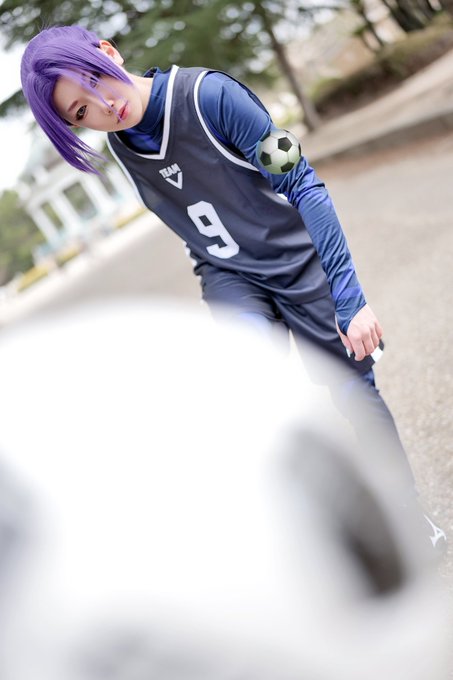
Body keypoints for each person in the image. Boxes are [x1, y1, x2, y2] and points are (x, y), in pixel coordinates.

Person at [20, 25, 445, 548]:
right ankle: (314, 535)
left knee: (353, 390)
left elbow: (303, 183)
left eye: (95, 79)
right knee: (253, 394)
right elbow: (190, 232)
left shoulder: (212, 96)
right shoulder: (124, 152)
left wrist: (350, 298)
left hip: (298, 261)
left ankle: (405, 514)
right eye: (82, 111)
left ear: (108, 52)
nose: (106, 105)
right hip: (231, 276)